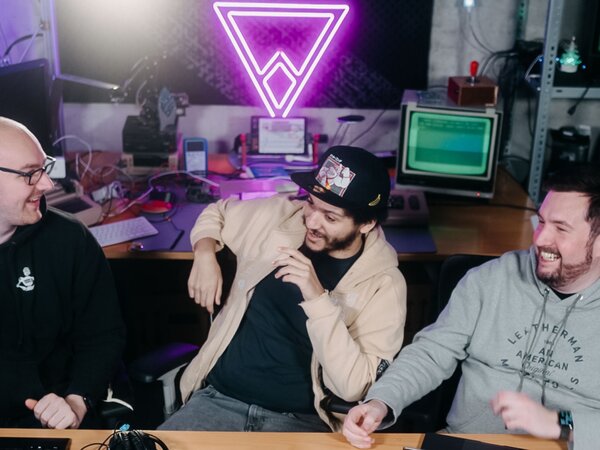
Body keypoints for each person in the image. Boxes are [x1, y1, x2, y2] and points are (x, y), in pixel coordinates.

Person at [343, 164, 600, 449]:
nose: (539, 239)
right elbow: (431, 353)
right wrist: (382, 400)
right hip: (467, 442)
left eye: (560, 228)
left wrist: (558, 423)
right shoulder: (491, 279)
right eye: (541, 222)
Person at [159, 145, 406, 432]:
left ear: (366, 223)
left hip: (300, 420)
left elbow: (353, 387)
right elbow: (218, 212)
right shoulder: (280, 216)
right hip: (218, 400)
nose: (312, 221)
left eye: (330, 217)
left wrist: (317, 299)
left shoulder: (384, 284)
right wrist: (204, 253)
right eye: (311, 203)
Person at [0, 117, 126, 429]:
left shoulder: (70, 238)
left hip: (60, 418)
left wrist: (77, 399)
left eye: (44, 168)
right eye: (31, 174)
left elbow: (103, 336)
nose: (47, 184)